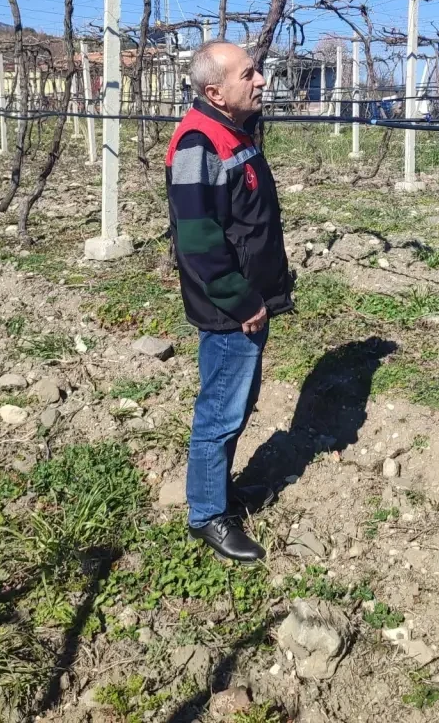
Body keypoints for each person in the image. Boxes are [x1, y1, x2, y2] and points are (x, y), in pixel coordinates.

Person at [165, 40, 293, 563]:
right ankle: (207, 516)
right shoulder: (199, 143)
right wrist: (242, 302)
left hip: (246, 303)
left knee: (234, 405)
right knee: (219, 411)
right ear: (215, 92)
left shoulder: (230, 131)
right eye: (248, 74)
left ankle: (216, 491)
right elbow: (197, 242)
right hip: (230, 313)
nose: (260, 80)